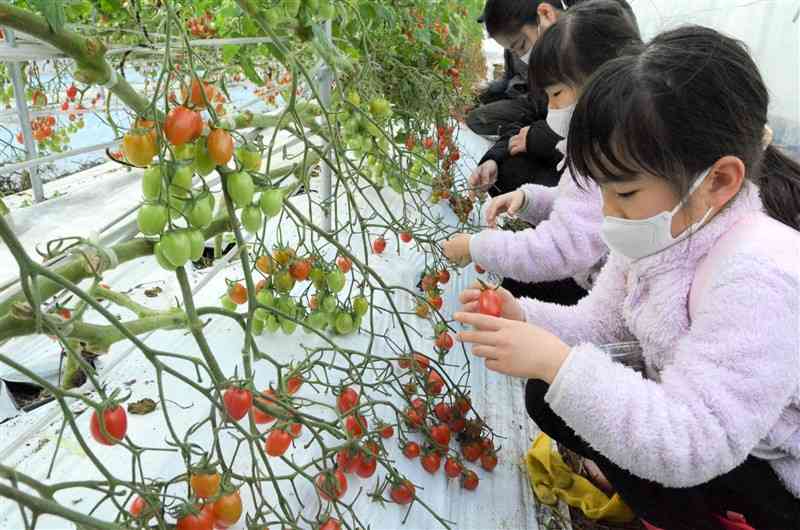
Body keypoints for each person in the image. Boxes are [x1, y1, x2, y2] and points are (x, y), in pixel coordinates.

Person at [456, 25, 800, 529]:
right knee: (550, 393)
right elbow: (600, 326)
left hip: (772, 466)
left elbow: (693, 441)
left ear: (719, 181)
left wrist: (559, 364)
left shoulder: (756, 276)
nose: (607, 213)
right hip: (721, 427)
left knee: (567, 386)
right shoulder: (663, 231)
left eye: (626, 194)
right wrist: (524, 318)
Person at [444, 0, 641, 302]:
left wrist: (477, 247)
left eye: (557, 95)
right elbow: (581, 199)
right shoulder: (596, 134)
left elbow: (563, 246)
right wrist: (528, 198)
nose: (551, 110)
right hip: (600, 279)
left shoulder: (605, 155)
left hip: (603, 288)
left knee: (518, 283)